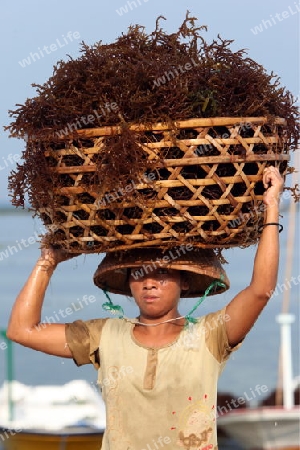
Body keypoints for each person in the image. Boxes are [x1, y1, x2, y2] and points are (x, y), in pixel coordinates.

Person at [7, 166, 284, 449]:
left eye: (162, 275)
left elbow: (260, 290)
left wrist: (271, 206)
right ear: (128, 284)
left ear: (184, 283)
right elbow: (21, 330)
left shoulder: (209, 335)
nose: (149, 283)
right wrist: (47, 263)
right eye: (139, 274)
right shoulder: (105, 335)